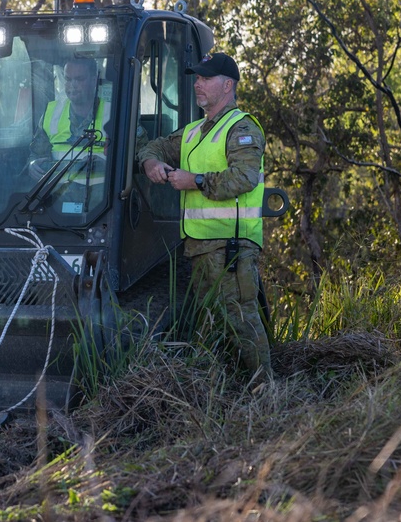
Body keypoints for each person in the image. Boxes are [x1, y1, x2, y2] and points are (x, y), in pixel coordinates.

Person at [138, 52, 273, 385]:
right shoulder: (193, 131)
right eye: (196, 78)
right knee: (212, 325)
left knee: (241, 321)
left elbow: (244, 178)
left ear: (227, 85)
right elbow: (153, 146)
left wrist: (194, 181)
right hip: (199, 249)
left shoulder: (242, 127)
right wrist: (150, 163)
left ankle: (266, 393)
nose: (197, 84)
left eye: (205, 78)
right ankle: (225, 396)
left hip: (230, 248)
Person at [29, 57, 110, 185]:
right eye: (68, 79)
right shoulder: (51, 113)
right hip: (56, 196)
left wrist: (107, 166)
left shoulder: (113, 113)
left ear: (94, 80)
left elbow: (138, 156)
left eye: (79, 79)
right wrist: (32, 165)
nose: (73, 85)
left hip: (101, 198)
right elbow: (36, 154)